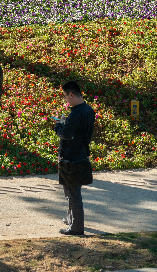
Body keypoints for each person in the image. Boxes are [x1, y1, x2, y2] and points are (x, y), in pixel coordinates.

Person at [54, 80, 95, 236]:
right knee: (73, 192)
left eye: (65, 96)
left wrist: (58, 125)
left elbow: (66, 134)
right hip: (82, 154)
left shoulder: (75, 113)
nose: (66, 100)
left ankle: (76, 227)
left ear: (71, 94)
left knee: (72, 194)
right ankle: (72, 219)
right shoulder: (89, 111)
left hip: (70, 157)